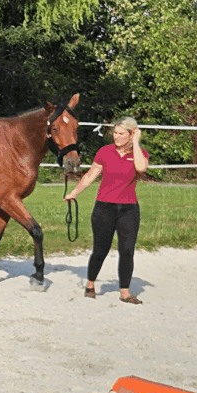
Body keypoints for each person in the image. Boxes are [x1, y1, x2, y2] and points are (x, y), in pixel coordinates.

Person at [64, 116, 150, 304]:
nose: (116, 136)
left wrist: (136, 142)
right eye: (115, 133)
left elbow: (141, 168)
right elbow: (90, 175)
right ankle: (90, 283)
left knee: (127, 250)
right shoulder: (105, 152)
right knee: (100, 250)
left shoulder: (140, 153)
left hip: (129, 209)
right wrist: (74, 193)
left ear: (131, 134)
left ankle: (125, 292)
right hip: (104, 207)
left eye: (121, 133)